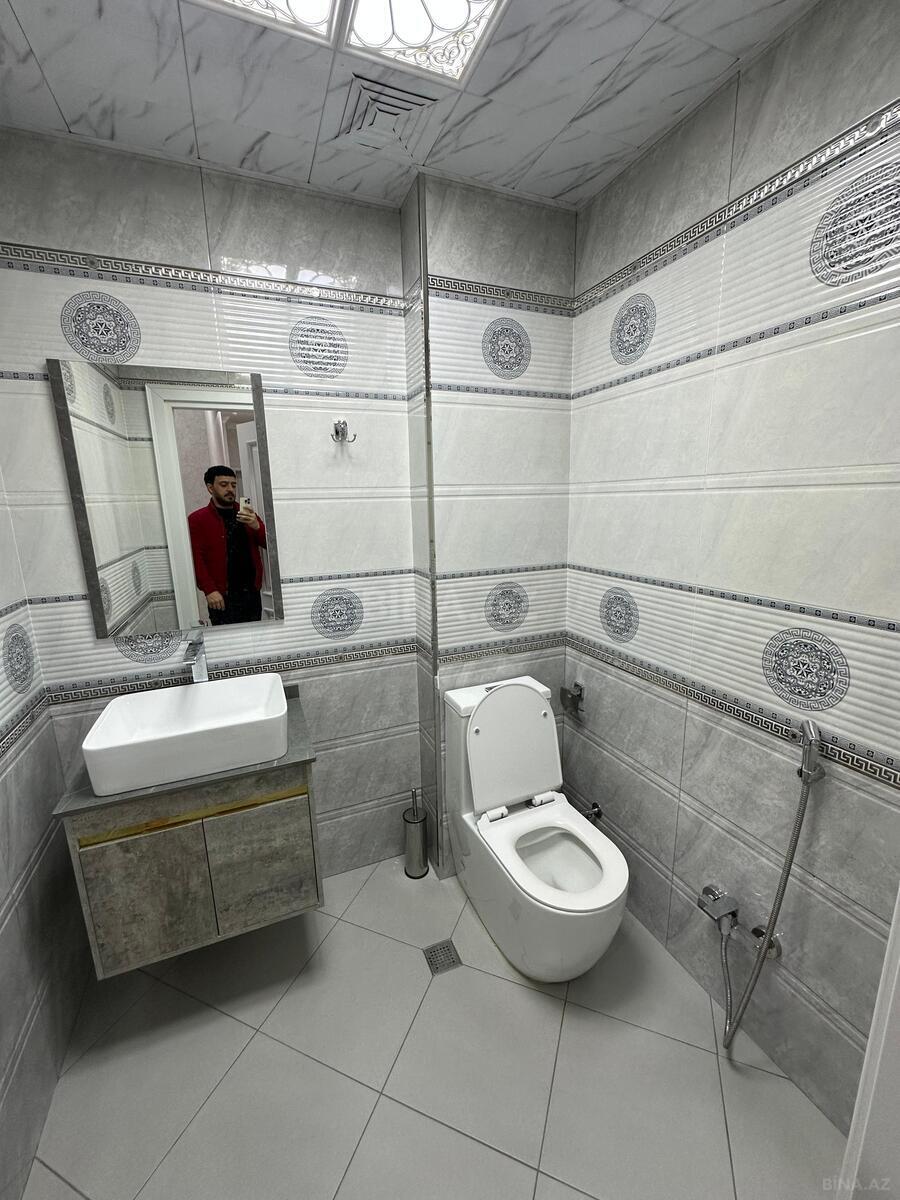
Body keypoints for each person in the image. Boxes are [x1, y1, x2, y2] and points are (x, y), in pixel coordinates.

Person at [187, 465, 267, 625]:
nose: (230, 489)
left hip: (251, 593)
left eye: (233, 485)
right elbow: (196, 559)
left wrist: (257, 526)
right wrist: (209, 590)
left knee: (256, 637)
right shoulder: (197, 519)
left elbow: (269, 545)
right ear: (210, 488)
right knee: (226, 639)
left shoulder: (247, 513)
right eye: (224, 485)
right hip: (221, 596)